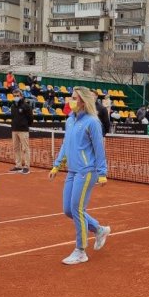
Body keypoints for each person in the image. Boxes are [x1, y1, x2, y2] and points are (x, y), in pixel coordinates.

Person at [49, 86, 110, 265]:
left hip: (87, 171)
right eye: (71, 97)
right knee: (68, 210)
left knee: (77, 209)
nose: (70, 100)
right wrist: (56, 165)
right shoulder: (70, 120)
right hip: (72, 170)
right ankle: (99, 230)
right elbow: (66, 144)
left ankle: (81, 250)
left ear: (83, 100)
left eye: (74, 97)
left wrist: (102, 172)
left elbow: (99, 149)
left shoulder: (92, 122)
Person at [10, 88, 33, 174]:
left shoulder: (26, 106)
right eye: (15, 96)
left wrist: (25, 125)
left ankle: (26, 166)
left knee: (25, 148)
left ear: (21, 96)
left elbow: (30, 118)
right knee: (16, 148)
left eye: (17, 96)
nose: (16, 97)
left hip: (23, 130)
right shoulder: (12, 106)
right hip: (14, 130)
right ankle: (18, 165)